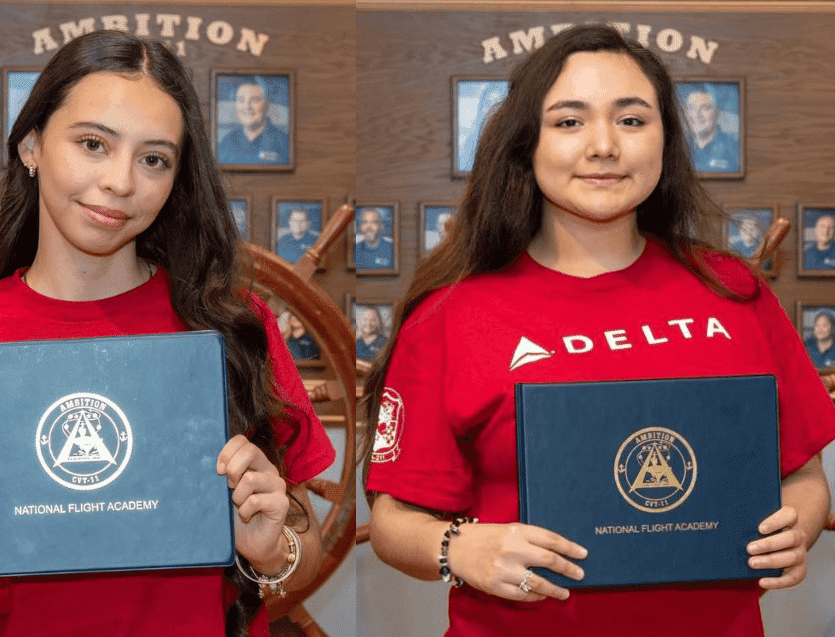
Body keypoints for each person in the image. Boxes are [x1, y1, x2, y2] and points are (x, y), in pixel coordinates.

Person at [364, 25, 834, 637]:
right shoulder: (451, 315)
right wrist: (460, 549)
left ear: (666, 140)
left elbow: (802, 474)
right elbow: (394, 519)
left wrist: (797, 522)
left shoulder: (733, 293)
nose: (605, 145)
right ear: (526, 144)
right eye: (569, 122)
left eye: (633, 120)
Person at [0, 31, 335, 637]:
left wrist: (272, 551)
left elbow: (301, 548)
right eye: (94, 144)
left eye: (153, 159)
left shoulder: (234, 325)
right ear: (32, 145)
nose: (121, 181)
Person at [217, 78, 290, 165]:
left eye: (254, 100)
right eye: (241, 100)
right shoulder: (227, 142)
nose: (247, 107)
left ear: (267, 105)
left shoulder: (285, 143)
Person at [684, 86, 740, 173]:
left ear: (717, 113)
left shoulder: (733, 149)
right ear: (686, 113)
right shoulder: (678, 147)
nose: (697, 115)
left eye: (705, 108)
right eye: (692, 108)